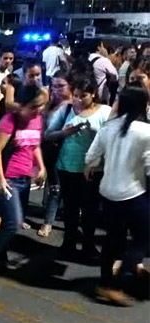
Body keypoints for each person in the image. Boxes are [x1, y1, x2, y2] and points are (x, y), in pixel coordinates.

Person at [84, 85, 150, 305]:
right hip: (133, 193)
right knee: (143, 239)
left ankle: (105, 283)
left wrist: (92, 166)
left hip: (108, 191)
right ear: (144, 105)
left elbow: (91, 158)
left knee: (113, 239)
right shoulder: (146, 132)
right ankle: (120, 280)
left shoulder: (109, 127)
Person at [0, 85, 47, 278]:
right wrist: (0, 178)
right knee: (13, 221)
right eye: (34, 107)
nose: (38, 111)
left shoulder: (37, 120)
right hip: (7, 179)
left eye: (41, 106)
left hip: (24, 178)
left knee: (10, 219)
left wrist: (41, 166)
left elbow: (34, 145)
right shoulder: (10, 121)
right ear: (21, 105)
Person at [45, 77, 112, 259]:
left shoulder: (104, 111)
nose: (79, 100)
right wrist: (64, 133)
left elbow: (111, 138)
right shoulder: (66, 109)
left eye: (84, 96)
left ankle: (88, 245)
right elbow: (48, 135)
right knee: (71, 209)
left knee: (90, 210)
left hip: (93, 169)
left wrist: (94, 133)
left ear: (93, 95)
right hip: (67, 166)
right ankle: (69, 243)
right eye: (75, 96)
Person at [38, 71, 72, 238]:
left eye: (61, 86)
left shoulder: (73, 106)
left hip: (67, 152)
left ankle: (50, 222)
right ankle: (49, 220)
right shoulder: (50, 105)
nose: (56, 90)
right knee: (54, 187)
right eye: (54, 86)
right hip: (49, 150)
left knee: (58, 189)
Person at [88, 39, 118, 105]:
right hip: (100, 96)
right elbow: (115, 75)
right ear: (99, 48)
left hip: (87, 93)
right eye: (103, 46)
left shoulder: (87, 58)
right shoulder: (103, 60)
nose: (105, 49)